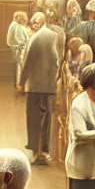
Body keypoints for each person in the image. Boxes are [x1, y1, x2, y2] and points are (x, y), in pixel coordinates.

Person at [19, 12, 62, 166]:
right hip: (49, 85)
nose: (33, 25)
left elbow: (28, 61)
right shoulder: (54, 36)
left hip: (35, 85)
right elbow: (57, 59)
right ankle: (43, 150)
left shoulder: (35, 37)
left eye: (35, 23)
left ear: (41, 22)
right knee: (46, 119)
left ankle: (36, 152)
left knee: (34, 119)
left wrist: (21, 81)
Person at [6, 10, 31, 85]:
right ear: (18, 18)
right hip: (20, 50)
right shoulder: (17, 27)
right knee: (19, 67)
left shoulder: (15, 25)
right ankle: (19, 84)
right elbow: (21, 41)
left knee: (18, 66)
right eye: (23, 19)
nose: (25, 21)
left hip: (17, 49)